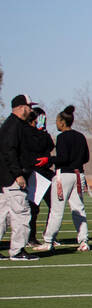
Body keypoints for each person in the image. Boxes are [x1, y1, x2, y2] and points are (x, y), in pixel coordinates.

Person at [39, 105, 90, 252]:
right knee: (78, 208)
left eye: (57, 121)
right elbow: (86, 157)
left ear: (62, 122)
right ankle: (84, 240)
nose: (56, 124)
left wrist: (48, 160)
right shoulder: (80, 136)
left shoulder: (61, 137)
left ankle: (48, 240)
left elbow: (63, 158)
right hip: (79, 175)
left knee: (56, 210)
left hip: (64, 175)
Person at [0, 93, 39, 261]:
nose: (30, 110)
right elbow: (9, 152)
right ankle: (17, 251)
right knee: (21, 214)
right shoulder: (14, 126)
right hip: (12, 178)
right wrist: (18, 174)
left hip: (4, 179)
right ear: (22, 107)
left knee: (2, 215)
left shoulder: (10, 125)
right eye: (29, 107)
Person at [23, 107, 55, 245]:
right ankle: (30, 237)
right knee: (33, 208)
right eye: (41, 118)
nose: (43, 121)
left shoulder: (43, 133)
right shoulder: (27, 131)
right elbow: (37, 147)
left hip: (46, 173)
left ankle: (48, 234)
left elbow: (50, 145)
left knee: (54, 205)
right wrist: (40, 132)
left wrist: (43, 131)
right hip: (34, 173)